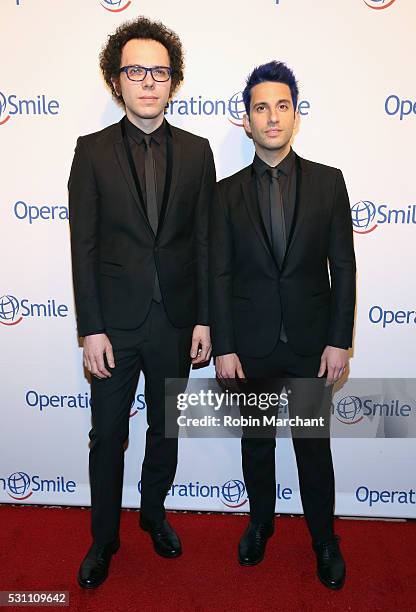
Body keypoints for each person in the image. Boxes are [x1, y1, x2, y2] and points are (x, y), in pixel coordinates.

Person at [69, 16, 215, 589]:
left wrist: (205, 316)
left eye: (159, 71)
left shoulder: (199, 153)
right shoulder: (91, 151)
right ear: (116, 81)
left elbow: (205, 242)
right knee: (108, 434)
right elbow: (82, 246)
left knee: (166, 429)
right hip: (114, 327)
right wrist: (91, 328)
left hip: (177, 323)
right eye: (136, 71)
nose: (148, 81)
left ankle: (153, 514)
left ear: (172, 81)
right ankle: (104, 538)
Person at [210, 61, 356, 590]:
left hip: (310, 346)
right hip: (248, 348)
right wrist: (224, 347)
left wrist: (340, 339)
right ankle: (260, 523)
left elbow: (344, 266)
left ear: (296, 115)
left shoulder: (329, 183)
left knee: (314, 451)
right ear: (246, 121)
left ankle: (324, 539)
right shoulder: (224, 194)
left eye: (282, 105)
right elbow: (218, 274)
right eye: (260, 107)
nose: (272, 117)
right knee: (257, 445)